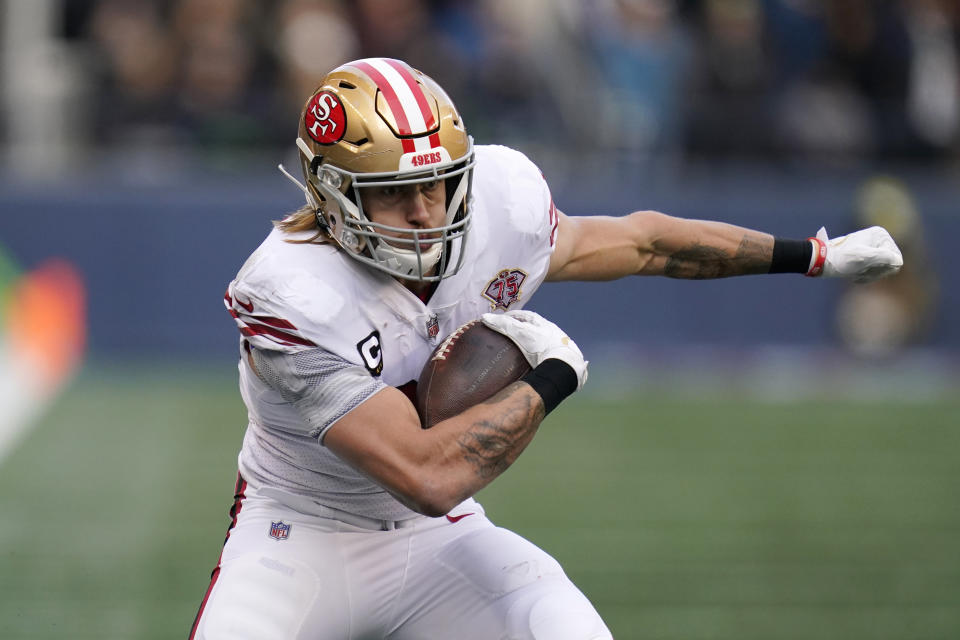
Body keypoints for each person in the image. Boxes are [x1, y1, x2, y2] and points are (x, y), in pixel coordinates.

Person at [190, 57, 902, 640]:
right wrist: (552, 374)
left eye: (438, 184)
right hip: (299, 530)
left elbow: (644, 242)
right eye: (395, 193)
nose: (425, 211)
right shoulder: (287, 292)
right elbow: (425, 474)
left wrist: (810, 255)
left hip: (435, 539)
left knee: (561, 625)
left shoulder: (500, 201)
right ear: (332, 192)